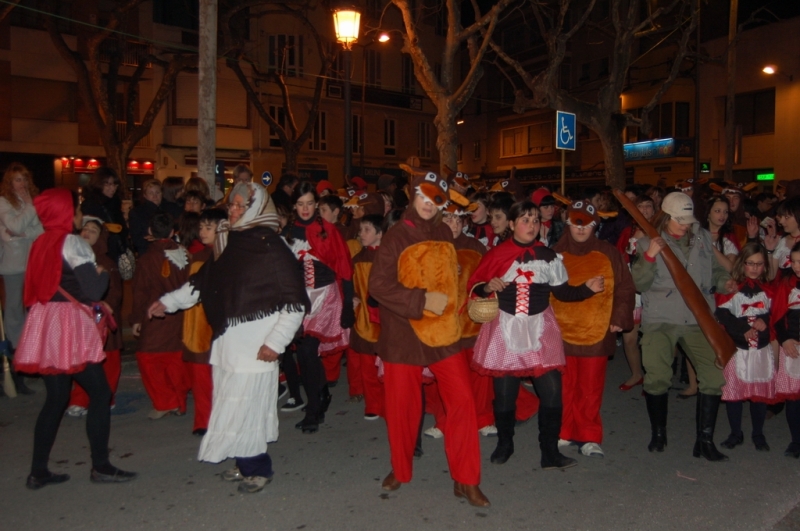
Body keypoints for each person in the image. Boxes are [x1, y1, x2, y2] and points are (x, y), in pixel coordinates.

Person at [149, 182, 308, 494]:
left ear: (257, 209)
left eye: (240, 206)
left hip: (256, 346)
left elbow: (294, 302)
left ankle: (257, 468)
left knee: (247, 407)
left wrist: (275, 343)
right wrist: (168, 302)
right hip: (228, 343)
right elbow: (203, 283)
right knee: (231, 404)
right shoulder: (230, 243)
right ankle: (243, 460)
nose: (233, 211)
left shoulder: (270, 247)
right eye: (232, 205)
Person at [370, 170, 489, 507]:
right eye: (422, 196)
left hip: (441, 335)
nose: (427, 204)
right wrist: (420, 300)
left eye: (435, 199)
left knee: (463, 401)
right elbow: (377, 286)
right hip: (404, 336)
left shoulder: (444, 234)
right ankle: (400, 469)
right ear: (413, 197)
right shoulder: (395, 236)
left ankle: (466, 479)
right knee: (402, 408)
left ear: (443, 203)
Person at [14, 188, 136, 488]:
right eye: (75, 208)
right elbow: (94, 289)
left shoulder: (41, 242)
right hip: (68, 324)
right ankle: (101, 466)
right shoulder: (73, 243)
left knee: (55, 398)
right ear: (65, 213)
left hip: (45, 322)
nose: (79, 213)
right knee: (100, 392)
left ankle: (38, 471)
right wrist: (103, 272)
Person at [468, 200, 603, 470]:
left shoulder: (549, 256)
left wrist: (587, 289)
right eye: (524, 220)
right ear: (511, 224)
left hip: (540, 328)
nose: (531, 225)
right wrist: (486, 287)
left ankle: (549, 451)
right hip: (505, 328)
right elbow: (474, 289)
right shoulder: (497, 254)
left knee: (552, 393)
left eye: (534, 220)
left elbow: (563, 293)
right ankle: (505, 443)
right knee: (504, 394)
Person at [633, 191, 736, 460]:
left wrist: (724, 282)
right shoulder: (647, 242)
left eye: (687, 219)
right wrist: (650, 257)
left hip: (697, 317)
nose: (685, 224)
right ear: (666, 216)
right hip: (660, 319)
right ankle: (658, 433)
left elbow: (715, 270)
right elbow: (638, 284)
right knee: (656, 378)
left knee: (713, 376)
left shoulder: (702, 237)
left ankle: (705, 440)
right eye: (679, 220)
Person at [552, 200, 635, 458]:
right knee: (564, 387)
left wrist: (619, 317)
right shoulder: (555, 253)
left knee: (590, 388)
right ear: (568, 223)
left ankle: (588, 435)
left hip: (596, 332)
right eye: (576, 223)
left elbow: (624, 287)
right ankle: (563, 430)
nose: (580, 229)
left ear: (594, 226)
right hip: (561, 333)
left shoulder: (609, 253)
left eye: (586, 224)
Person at [282, 181, 354, 433]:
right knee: (304, 353)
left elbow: (345, 267)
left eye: (310, 203)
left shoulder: (328, 230)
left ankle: (314, 410)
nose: (305, 208)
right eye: (300, 204)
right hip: (298, 299)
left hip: (325, 296)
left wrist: (348, 306)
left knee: (306, 351)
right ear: (294, 206)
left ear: (317, 204)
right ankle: (320, 394)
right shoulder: (288, 232)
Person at [715, 243, 776, 452]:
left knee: (758, 394)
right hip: (738, 349)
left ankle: (758, 433)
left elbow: (777, 314)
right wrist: (742, 328)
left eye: (759, 264)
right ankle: (735, 433)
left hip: (760, 350)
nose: (755, 268)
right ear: (743, 264)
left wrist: (764, 322)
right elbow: (722, 313)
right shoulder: (733, 288)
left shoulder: (768, 290)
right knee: (735, 393)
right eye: (750, 263)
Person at [130, 213, 191, 419]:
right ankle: (178, 401)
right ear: (173, 232)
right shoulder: (184, 254)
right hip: (182, 315)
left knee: (149, 358)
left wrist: (137, 319)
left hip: (157, 314)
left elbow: (140, 292)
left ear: (149, 232)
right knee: (175, 360)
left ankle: (166, 401)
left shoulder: (148, 259)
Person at [66, 217, 124, 417]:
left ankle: (107, 397)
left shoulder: (106, 262)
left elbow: (115, 291)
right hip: (81, 317)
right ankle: (80, 399)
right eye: (85, 228)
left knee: (108, 361)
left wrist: (107, 304)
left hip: (101, 319)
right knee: (82, 362)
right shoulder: (71, 257)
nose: (87, 232)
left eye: (93, 230)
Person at [180, 208, 227, 436]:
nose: (203, 231)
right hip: (199, 322)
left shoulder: (227, 255)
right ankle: (203, 420)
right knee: (200, 376)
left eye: (209, 227)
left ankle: (216, 419)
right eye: (201, 227)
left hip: (218, 324)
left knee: (220, 377)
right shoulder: (197, 257)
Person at [0, 163, 43, 395]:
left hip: (32, 263)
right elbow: (12, 228)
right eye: (17, 180)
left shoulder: (31, 202)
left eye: (24, 179)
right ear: (9, 182)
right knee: (14, 311)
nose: (22, 184)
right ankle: (16, 353)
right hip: (13, 265)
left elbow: (41, 230)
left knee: (32, 309)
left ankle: (30, 351)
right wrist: (28, 209)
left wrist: (23, 233)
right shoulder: (4, 202)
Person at [348, 214, 386, 419]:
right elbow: (350, 284)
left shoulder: (390, 257)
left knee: (386, 365)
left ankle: (388, 402)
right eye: (361, 230)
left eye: (367, 230)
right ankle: (372, 404)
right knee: (366, 364)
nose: (361, 234)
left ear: (380, 234)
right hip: (364, 317)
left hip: (386, 318)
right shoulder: (358, 259)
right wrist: (353, 297)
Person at [616, 195, 654, 392]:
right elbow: (618, 259)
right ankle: (636, 373)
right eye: (641, 206)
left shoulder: (661, 232)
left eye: (649, 206)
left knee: (655, 337)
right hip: (633, 291)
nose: (645, 210)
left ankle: (657, 374)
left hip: (656, 291)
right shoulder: (626, 232)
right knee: (630, 338)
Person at [773, 242, 800, 458]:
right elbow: (778, 316)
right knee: (794, 397)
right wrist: (785, 340)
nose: (797, 266)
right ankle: (796, 440)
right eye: (795, 261)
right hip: (793, 347)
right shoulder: (787, 283)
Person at [79, 167, 131, 266]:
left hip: (117, 252)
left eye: (115, 184)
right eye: (108, 184)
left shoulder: (114, 202)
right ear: (98, 184)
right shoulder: (91, 205)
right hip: (99, 253)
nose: (113, 188)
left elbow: (121, 229)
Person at [128, 179, 164, 255]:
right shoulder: (137, 212)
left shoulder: (166, 210)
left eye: (157, 192)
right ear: (145, 195)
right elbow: (137, 239)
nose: (155, 196)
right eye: (151, 193)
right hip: (148, 254)